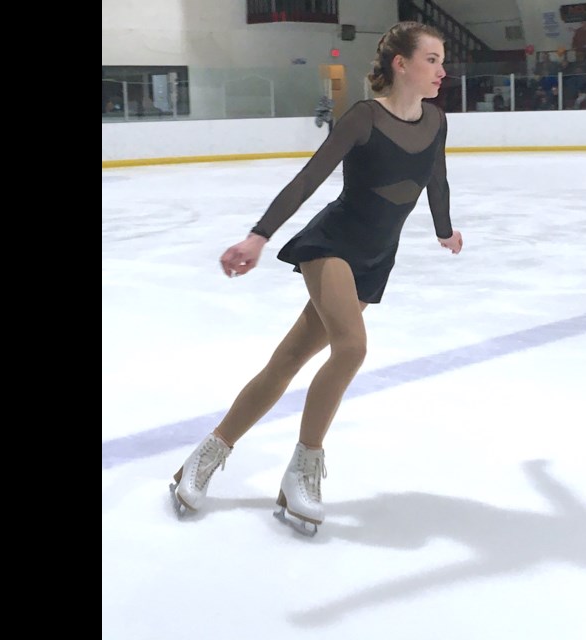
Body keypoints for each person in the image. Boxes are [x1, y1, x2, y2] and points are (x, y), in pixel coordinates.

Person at [169, 21, 463, 535]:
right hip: (333, 247)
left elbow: (435, 176)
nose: (442, 70)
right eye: (432, 60)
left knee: (286, 362)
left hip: (375, 258)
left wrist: (444, 230)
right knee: (351, 347)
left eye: (441, 61)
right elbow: (309, 178)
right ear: (402, 63)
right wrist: (258, 236)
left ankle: (204, 455)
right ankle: (305, 467)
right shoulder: (364, 118)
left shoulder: (436, 121)